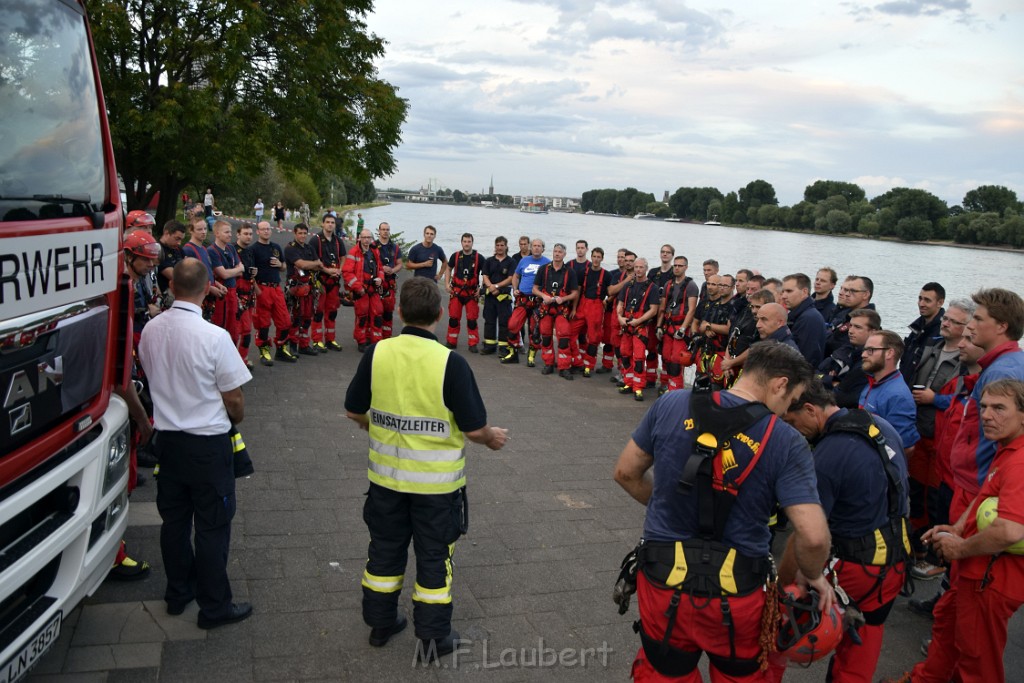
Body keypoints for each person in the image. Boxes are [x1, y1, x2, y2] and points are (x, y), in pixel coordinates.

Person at [613, 341, 833, 681]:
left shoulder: (672, 403)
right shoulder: (786, 441)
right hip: (737, 594)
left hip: (663, 579)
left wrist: (668, 506)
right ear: (779, 385)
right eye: (790, 400)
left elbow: (626, 473)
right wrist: (814, 575)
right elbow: (815, 537)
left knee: (663, 674)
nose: (786, 410)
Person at [344, 278, 508, 661]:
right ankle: (433, 639)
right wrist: (492, 438)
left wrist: (376, 426)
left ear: (399, 312)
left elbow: (353, 410)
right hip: (436, 490)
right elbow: (472, 429)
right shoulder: (451, 363)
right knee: (435, 558)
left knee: (384, 551)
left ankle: (381, 624)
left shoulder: (377, 352)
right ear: (439, 314)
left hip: (385, 481)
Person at [138, 258, 253, 629]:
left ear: (172, 288)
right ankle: (215, 606)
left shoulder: (151, 331)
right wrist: (232, 419)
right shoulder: (214, 336)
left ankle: (178, 593)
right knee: (212, 526)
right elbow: (233, 399)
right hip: (207, 444)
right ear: (207, 290)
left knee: (173, 522)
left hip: (168, 442)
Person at [783, 381, 910, 683]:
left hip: (856, 566)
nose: (793, 429)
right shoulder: (879, 426)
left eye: (792, 421)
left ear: (811, 410)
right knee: (865, 638)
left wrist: (785, 585)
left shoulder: (827, 457)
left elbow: (807, 533)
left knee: (796, 624)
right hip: (896, 558)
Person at [909, 379, 1024, 683]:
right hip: (975, 570)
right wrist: (959, 526)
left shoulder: (1020, 461)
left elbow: (1010, 530)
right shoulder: (1008, 448)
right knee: (947, 626)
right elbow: (988, 491)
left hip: (991, 577)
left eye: (999, 408)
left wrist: (960, 548)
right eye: (983, 406)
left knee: (977, 659)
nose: (986, 415)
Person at [907, 299, 972, 580]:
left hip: (942, 438)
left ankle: (938, 558)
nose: (945, 323)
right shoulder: (931, 347)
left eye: (954, 322)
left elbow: (965, 402)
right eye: (946, 319)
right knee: (916, 492)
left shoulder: (967, 359)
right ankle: (919, 548)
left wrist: (936, 399)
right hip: (920, 431)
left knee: (938, 499)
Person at [859, 330, 920, 456]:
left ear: (889, 353)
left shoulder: (898, 396)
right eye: (864, 350)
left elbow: (906, 447)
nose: (863, 355)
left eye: (870, 350)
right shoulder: (872, 383)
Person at [251, 220, 296, 364]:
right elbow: (249, 274)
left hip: (276, 288)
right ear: (258, 232)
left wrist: (279, 264)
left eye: (268, 229)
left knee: (285, 321)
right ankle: (264, 351)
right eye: (262, 229)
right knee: (263, 323)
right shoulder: (253, 249)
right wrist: (257, 291)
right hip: (262, 288)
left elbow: (283, 267)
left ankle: (281, 349)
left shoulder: (276, 247)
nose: (266, 231)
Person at [532, 243, 579, 380]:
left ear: (564, 254)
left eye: (560, 252)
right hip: (546, 308)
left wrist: (563, 299)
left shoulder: (570, 272)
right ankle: (548, 363)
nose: (557, 254)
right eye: (555, 251)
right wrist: (543, 296)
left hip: (561, 309)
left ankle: (564, 367)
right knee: (546, 337)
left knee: (564, 338)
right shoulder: (543, 269)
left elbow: (575, 293)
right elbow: (535, 288)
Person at [501, 238, 551, 366]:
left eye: (539, 246)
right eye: (534, 246)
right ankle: (513, 354)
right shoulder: (524, 261)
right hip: (523, 299)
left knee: (534, 331)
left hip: (538, 302)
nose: (536, 248)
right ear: (530, 247)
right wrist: (515, 289)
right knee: (512, 325)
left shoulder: (547, 264)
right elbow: (516, 276)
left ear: (543, 248)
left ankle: (531, 357)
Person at [616, 257, 660, 400]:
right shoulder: (628, 285)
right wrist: (620, 317)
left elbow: (653, 310)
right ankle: (628, 383)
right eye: (636, 267)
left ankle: (638, 387)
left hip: (640, 327)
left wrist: (638, 321)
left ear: (646, 268)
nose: (638, 270)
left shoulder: (652, 287)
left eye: (641, 267)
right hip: (627, 324)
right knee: (625, 354)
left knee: (639, 358)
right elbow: (620, 303)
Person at [821, 308, 881, 409]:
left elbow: (842, 397)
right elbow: (817, 372)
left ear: (873, 332)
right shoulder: (848, 350)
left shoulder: (868, 362)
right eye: (851, 325)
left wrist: (829, 382)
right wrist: (832, 381)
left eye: (857, 327)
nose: (850, 331)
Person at [656, 255, 699, 392]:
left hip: (680, 328)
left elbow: (692, 309)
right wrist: (659, 326)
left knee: (676, 361)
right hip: (668, 326)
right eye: (675, 265)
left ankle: (675, 391)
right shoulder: (668, 284)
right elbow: (663, 308)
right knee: (666, 357)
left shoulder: (691, 286)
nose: (677, 268)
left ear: (686, 267)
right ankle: (666, 384)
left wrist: (683, 328)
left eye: (680, 265)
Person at [283, 223, 323, 356]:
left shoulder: (309, 248)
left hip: (309, 288)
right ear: (295, 233)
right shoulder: (290, 248)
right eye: (300, 233)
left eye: (304, 233)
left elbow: (319, 266)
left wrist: (311, 265)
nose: (302, 236)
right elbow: (301, 264)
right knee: (295, 318)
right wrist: (312, 264)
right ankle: (293, 346)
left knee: (307, 317)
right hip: (296, 288)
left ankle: (304, 345)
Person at [308, 214, 346, 352]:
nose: (330, 224)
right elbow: (314, 261)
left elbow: (343, 257)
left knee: (332, 312)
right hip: (321, 282)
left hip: (334, 283)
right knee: (318, 312)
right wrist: (327, 270)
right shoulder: (315, 240)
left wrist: (340, 269)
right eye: (328, 222)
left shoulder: (337, 241)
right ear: (322, 224)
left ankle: (330, 339)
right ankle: (317, 341)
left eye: (332, 222)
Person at [343, 228, 384, 352]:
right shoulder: (354, 252)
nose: (366, 240)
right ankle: (361, 341)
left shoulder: (374, 251)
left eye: (368, 238)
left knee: (377, 314)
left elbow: (380, 268)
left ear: (371, 238)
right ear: (359, 238)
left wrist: (381, 279)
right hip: (361, 290)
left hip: (374, 289)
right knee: (362, 316)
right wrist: (358, 287)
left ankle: (376, 341)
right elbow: (347, 272)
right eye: (364, 237)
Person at [208, 220, 244, 349]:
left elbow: (241, 269)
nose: (230, 235)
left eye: (230, 232)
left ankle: (232, 358)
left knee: (234, 328)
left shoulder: (231, 248)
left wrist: (233, 271)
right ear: (217, 233)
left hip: (233, 292)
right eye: (226, 232)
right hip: (221, 294)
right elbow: (223, 274)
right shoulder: (212, 251)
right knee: (220, 326)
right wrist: (236, 270)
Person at [900, 283, 946, 383]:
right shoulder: (916, 328)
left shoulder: (943, 333)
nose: (921, 304)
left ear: (940, 302)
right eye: (920, 299)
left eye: (927, 300)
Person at [445, 233, 483, 351]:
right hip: (457, 292)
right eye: (465, 241)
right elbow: (448, 268)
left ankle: (473, 343)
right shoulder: (455, 256)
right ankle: (451, 341)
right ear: (461, 242)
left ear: (472, 242)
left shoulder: (479, 258)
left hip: (471, 294)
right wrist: (446, 284)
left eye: (469, 241)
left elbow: (486, 274)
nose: (467, 244)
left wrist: (481, 288)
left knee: (472, 320)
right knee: (453, 319)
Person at [576, 247, 610, 377]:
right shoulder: (583, 272)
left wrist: (607, 300)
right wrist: (574, 308)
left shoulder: (606, 275)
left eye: (598, 257)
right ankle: (577, 360)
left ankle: (588, 365)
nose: (596, 259)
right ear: (591, 257)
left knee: (594, 338)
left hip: (596, 306)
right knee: (572, 332)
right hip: (582, 304)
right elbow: (578, 291)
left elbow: (611, 291)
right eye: (594, 256)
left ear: (602, 258)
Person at [781, 273, 826, 367]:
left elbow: (805, 358)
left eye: (789, 291)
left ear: (804, 292)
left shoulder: (809, 318)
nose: (783, 296)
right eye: (783, 291)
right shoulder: (799, 315)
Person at [480, 236, 515, 356]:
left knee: (504, 322)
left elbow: (511, 278)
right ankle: (489, 345)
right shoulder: (489, 261)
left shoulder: (511, 262)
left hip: (503, 297)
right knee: (489, 321)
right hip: (490, 296)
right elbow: (485, 275)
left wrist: (497, 286)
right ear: (495, 246)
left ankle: (503, 347)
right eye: (498, 245)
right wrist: (490, 287)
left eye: (502, 245)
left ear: (506, 246)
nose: (499, 248)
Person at [233, 223, 258, 368]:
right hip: (237, 294)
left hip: (249, 293)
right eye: (245, 233)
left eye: (250, 234)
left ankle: (242, 359)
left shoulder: (249, 252)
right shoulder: (232, 250)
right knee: (236, 331)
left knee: (247, 331)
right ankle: (233, 361)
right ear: (238, 234)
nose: (248, 236)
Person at [373, 222, 403, 339]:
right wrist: (380, 269)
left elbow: (400, 264)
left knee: (388, 312)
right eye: (383, 229)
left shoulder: (395, 248)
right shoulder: (373, 246)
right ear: (379, 231)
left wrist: (392, 270)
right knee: (375, 312)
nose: (385, 232)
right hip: (376, 283)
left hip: (389, 283)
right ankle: (374, 336)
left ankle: (386, 336)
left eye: (387, 230)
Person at [156, 220, 186, 308]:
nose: (179, 243)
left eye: (181, 239)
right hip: (167, 297)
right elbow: (174, 275)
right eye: (177, 239)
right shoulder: (159, 250)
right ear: (166, 233)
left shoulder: (179, 250)